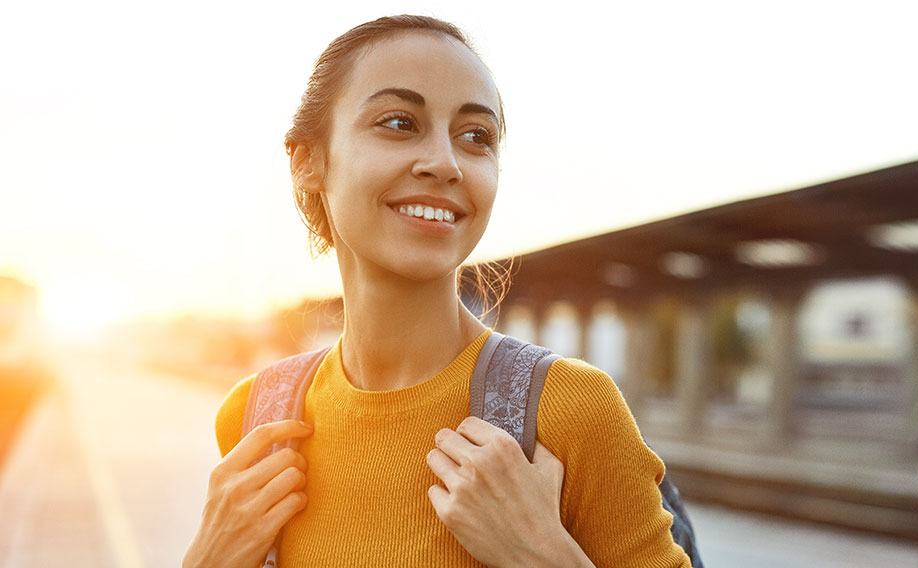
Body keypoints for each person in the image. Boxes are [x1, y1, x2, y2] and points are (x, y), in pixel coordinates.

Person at [182, 15, 693, 568]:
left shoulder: (570, 412)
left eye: (476, 137)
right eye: (399, 123)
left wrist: (541, 557)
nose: (446, 164)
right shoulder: (255, 417)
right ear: (309, 160)